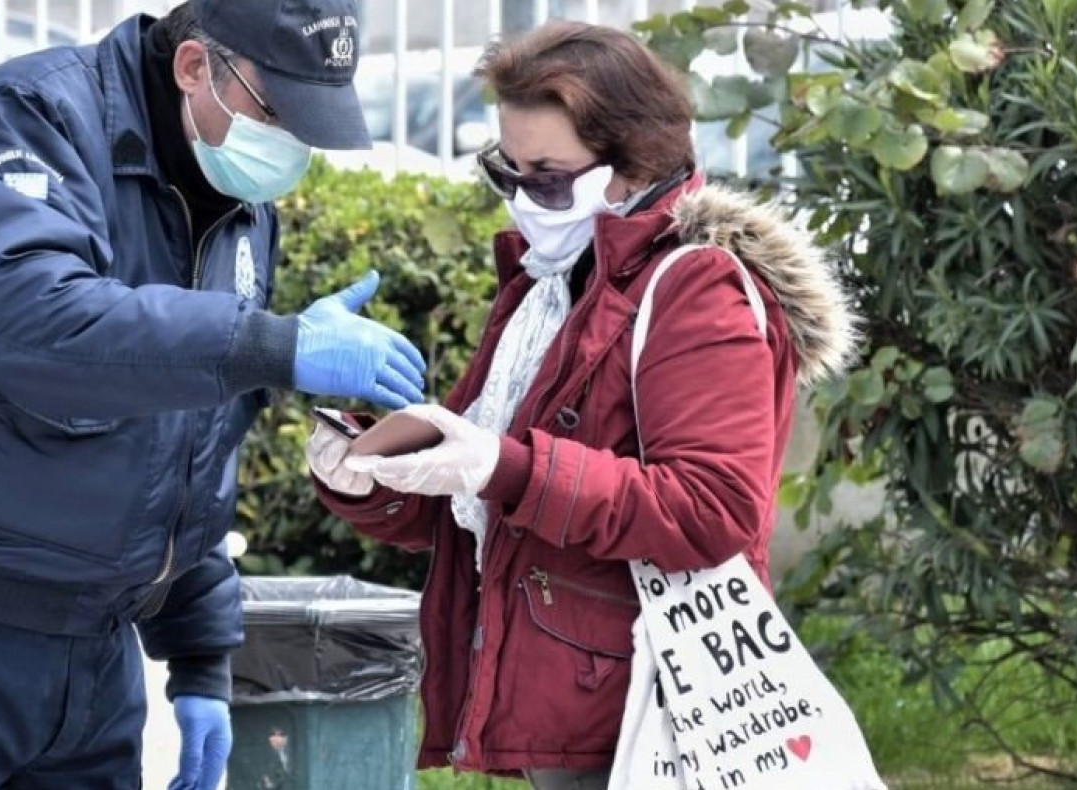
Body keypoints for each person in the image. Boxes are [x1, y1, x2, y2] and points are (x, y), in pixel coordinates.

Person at [0, 1, 425, 789]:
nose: (291, 146)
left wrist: (203, 655)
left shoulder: (238, 203)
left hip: (92, 666)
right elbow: (29, 325)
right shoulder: (32, 119)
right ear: (195, 66)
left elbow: (194, 448)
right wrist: (269, 343)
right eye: (277, 111)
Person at [306, 21, 857, 790]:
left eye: (550, 176)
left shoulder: (699, 289)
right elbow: (467, 500)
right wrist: (360, 470)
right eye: (509, 171)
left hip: (649, 705)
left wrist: (508, 468)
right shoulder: (549, 282)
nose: (526, 198)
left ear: (632, 166)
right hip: (571, 696)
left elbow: (714, 508)